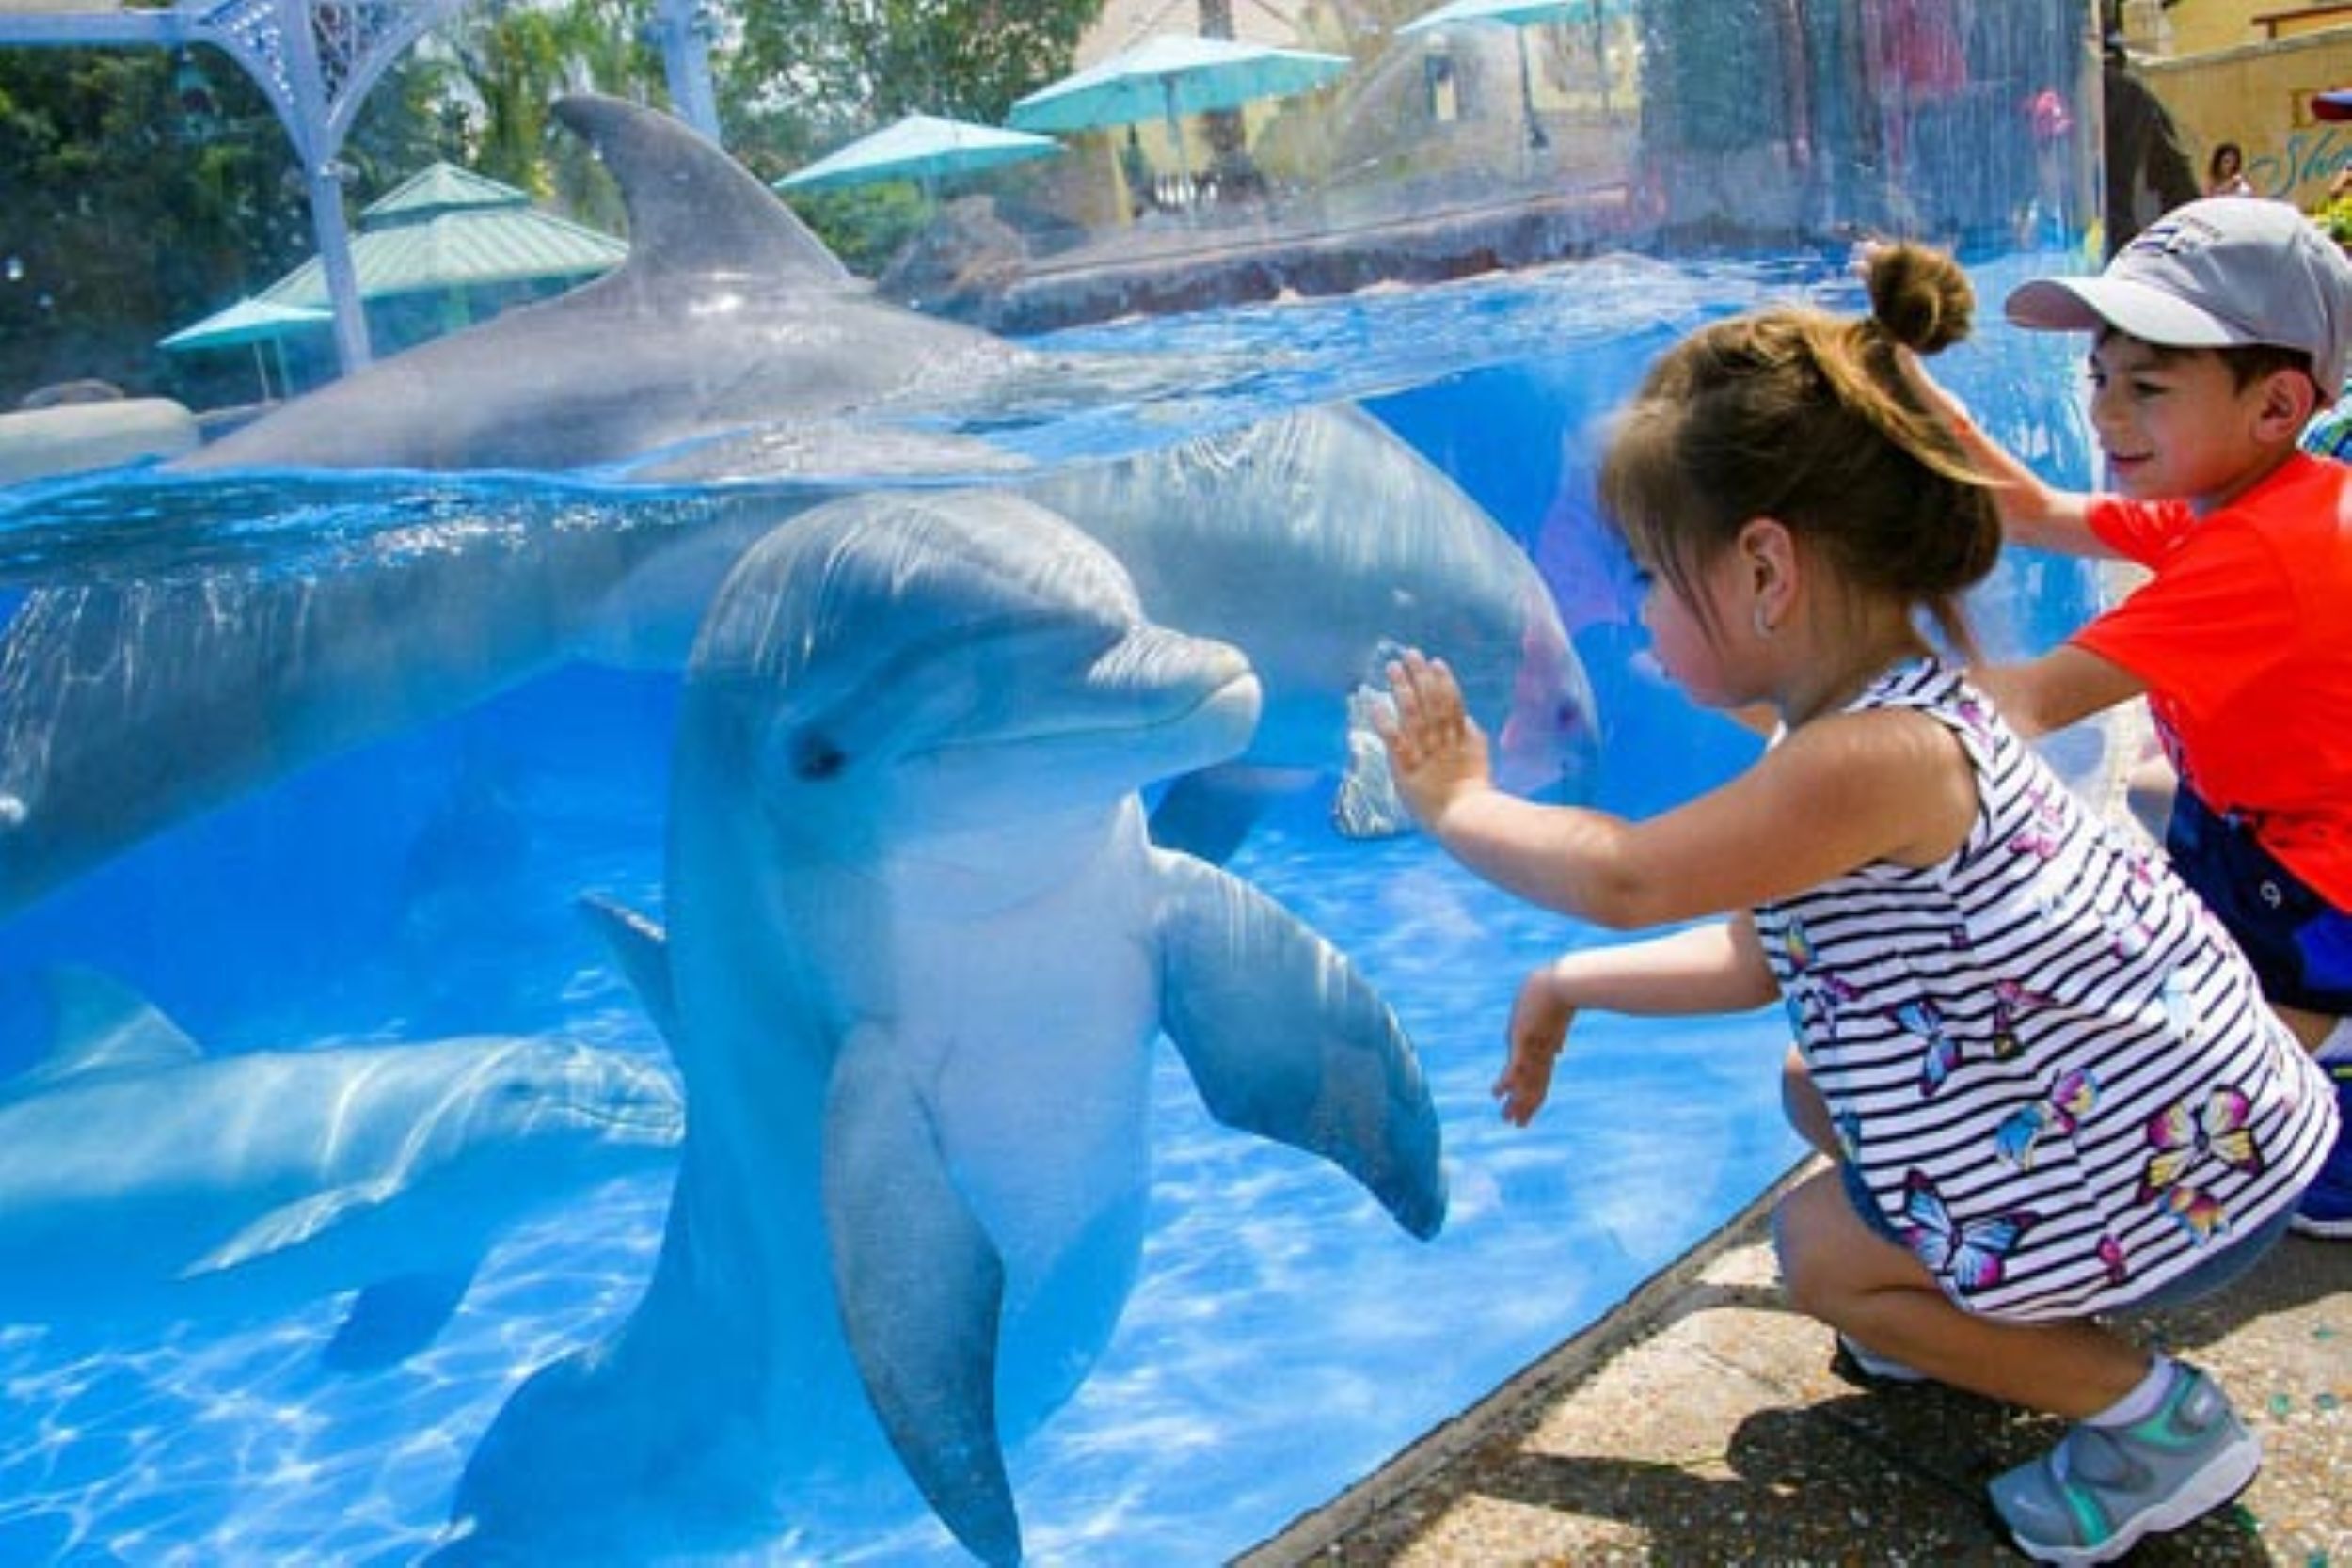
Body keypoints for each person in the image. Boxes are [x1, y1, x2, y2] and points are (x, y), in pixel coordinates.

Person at [1375, 241, 2338, 1566]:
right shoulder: (1878, 720)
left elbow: (1623, 873)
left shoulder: (1868, 759)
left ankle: (2156, 1419)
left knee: (1816, 1245)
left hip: (2200, 1189)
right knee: (1811, 1087)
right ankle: (1975, 1312)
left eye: (1654, 575)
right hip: (2197, 1133)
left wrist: (1457, 801)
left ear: (1767, 571)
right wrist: (1563, 988)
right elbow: (1755, 957)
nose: (1640, 613)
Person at [1904, 198, 2352, 1240]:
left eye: (2146, 388)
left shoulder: (2259, 551)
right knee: (2161, 810)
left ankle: (2324, 1130)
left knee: (2190, 1118)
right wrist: (1907, 395)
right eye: (2099, 377)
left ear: (2277, 404)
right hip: (2262, 820)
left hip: (2312, 886)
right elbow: (2031, 511)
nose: (2105, 418)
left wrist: (1825, 690)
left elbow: (2022, 704)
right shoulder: (2254, 493)